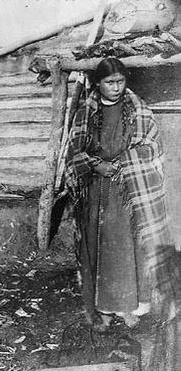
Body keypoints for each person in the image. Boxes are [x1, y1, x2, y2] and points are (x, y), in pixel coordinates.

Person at [65, 57, 178, 331]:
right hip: (96, 190)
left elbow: (151, 148)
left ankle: (130, 308)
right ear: (97, 83)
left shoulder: (139, 110)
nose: (116, 87)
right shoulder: (85, 113)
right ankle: (103, 311)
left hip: (128, 191)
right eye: (109, 82)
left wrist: (122, 163)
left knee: (127, 247)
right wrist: (95, 164)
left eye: (120, 81)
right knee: (96, 245)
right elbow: (74, 153)